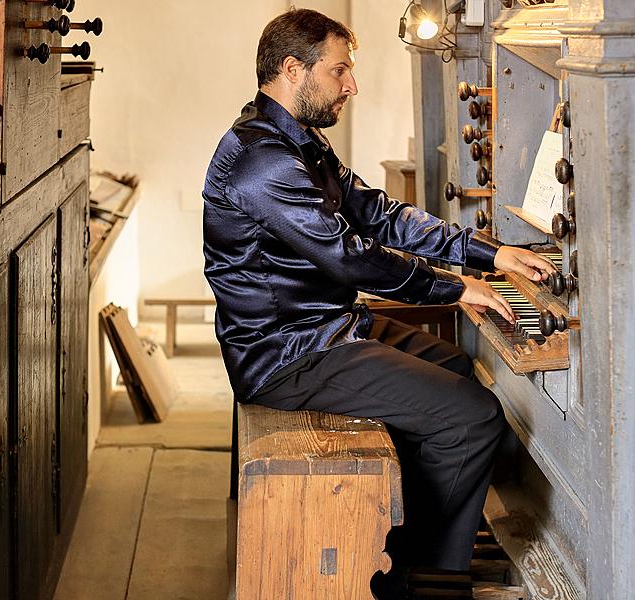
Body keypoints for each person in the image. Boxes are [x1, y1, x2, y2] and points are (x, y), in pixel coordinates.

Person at [202, 8, 557, 598]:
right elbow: (351, 258)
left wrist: (486, 255)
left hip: (327, 329)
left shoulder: (297, 141)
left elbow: (376, 214)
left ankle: (398, 532)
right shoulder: (260, 160)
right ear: (294, 69)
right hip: (287, 357)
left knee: (454, 367)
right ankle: (423, 579)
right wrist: (453, 287)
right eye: (340, 71)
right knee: (473, 418)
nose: (351, 84)